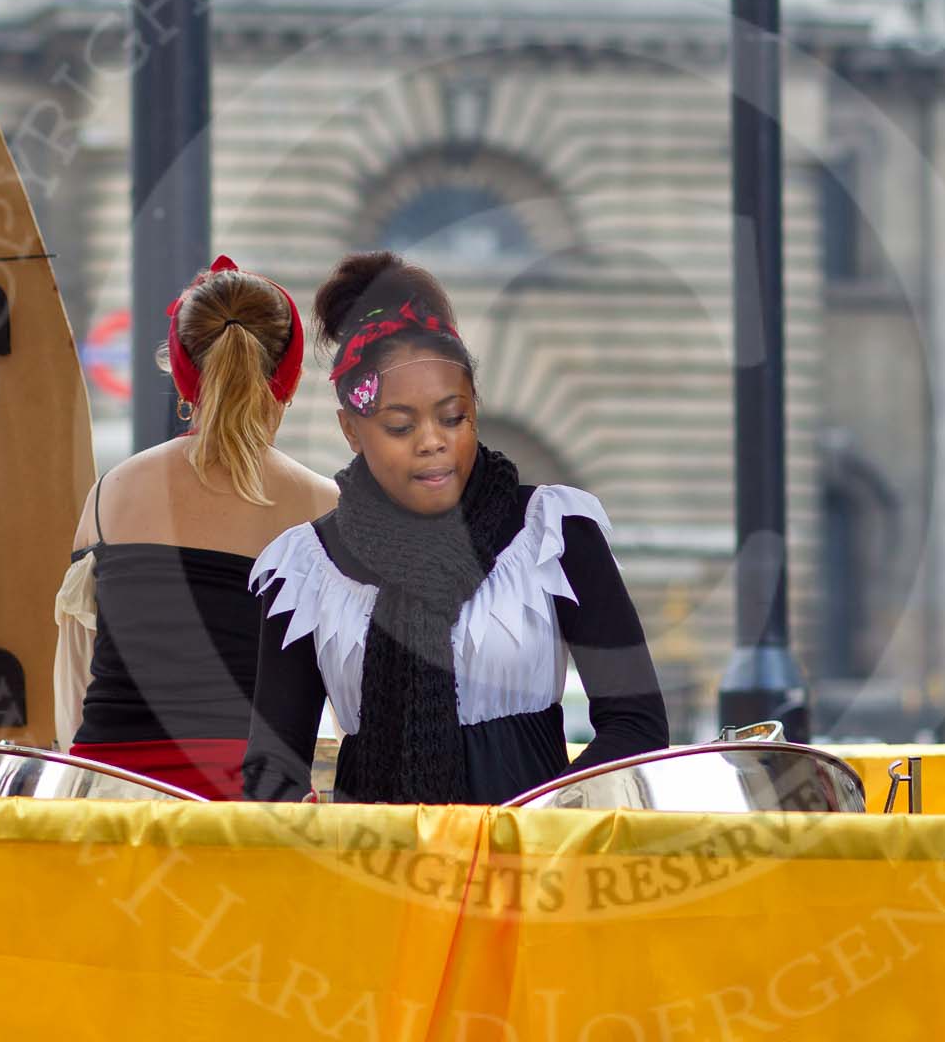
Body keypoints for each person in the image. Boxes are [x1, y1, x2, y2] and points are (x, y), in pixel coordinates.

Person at [242, 251, 670, 805]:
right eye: (400, 425)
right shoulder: (304, 568)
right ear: (351, 428)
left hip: (534, 865)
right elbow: (271, 766)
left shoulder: (554, 533)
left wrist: (543, 818)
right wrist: (303, 828)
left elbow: (636, 722)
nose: (432, 441)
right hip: (376, 867)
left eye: (453, 417)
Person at [54, 257, 336, 798]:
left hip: (108, 801)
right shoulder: (325, 508)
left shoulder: (110, 494)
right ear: (290, 381)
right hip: (249, 813)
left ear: (184, 378)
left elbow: (72, 688)